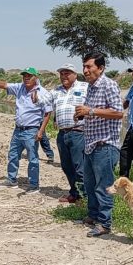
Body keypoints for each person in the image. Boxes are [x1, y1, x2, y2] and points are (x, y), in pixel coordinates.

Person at [74, 52, 123, 237]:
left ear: (101, 68)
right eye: (84, 66)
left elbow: (118, 113)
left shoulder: (109, 84)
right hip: (90, 144)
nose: (85, 70)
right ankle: (93, 216)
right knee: (90, 184)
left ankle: (105, 223)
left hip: (105, 145)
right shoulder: (91, 87)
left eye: (89, 67)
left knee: (104, 186)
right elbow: (92, 113)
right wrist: (82, 115)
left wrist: (91, 111)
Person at [0, 67, 52, 194]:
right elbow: (4, 85)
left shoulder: (42, 92)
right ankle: (12, 180)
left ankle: (34, 185)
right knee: (13, 155)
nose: (26, 78)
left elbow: (48, 113)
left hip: (31, 130)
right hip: (18, 130)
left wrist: (41, 131)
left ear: (36, 77)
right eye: (24, 76)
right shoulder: (19, 87)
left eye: (29, 76)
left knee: (33, 159)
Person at [33, 63, 88, 203]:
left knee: (79, 167)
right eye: (62, 73)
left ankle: (85, 197)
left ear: (75, 75)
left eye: (67, 73)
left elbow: (93, 104)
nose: (64, 76)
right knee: (66, 166)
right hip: (63, 134)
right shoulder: (56, 91)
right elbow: (42, 101)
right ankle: (74, 193)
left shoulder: (84, 87)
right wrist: (35, 96)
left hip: (79, 133)